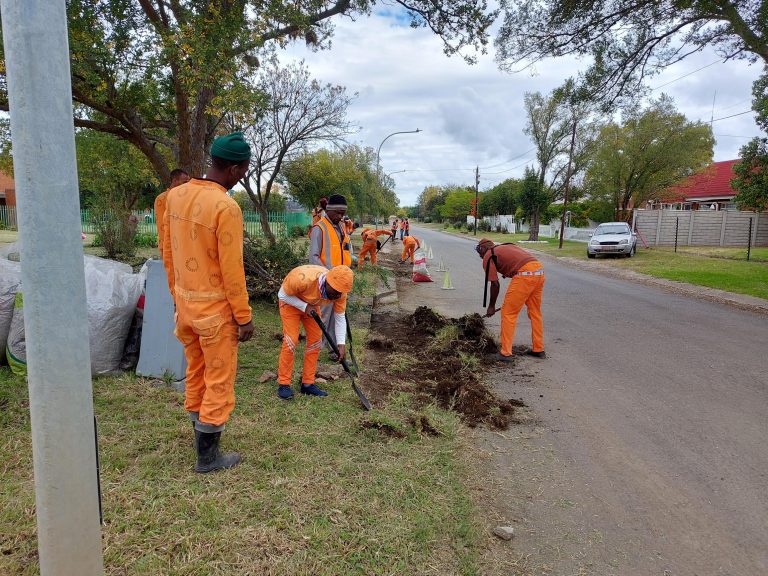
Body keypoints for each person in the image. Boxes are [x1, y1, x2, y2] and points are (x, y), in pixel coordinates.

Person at [162, 132, 254, 473]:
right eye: (244, 169)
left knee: (196, 372)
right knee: (218, 379)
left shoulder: (175, 196)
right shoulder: (225, 207)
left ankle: (199, 434)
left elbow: (168, 252)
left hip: (185, 307)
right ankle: (208, 456)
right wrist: (244, 317)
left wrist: (176, 297)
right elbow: (232, 270)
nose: (243, 175)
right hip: (215, 314)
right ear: (232, 169)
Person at [276, 264, 354, 399]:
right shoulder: (302, 279)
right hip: (290, 302)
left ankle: (307, 384)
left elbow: (340, 316)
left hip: (312, 306)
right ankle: (284, 383)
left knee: (316, 341)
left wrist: (341, 343)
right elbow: (282, 294)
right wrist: (304, 306)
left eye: (340, 293)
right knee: (291, 341)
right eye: (335, 291)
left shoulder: (340, 292)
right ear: (328, 282)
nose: (337, 296)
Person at [475, 238, 545, 362]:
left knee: (508, 313)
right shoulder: (505, 246)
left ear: (483, 248)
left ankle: (505, 353)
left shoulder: (488, 255)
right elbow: (515, 260)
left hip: (524, 275)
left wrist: (491, 306)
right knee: (535, 312)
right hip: (539, 271)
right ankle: (538, 349)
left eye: (479, 251)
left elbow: (495, 284)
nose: (479, 254)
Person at [308, 193, 352, 360]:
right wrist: (327, 277)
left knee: (337, 316)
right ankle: (314, 350)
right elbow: (313, 257)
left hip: (341, 281)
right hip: (326, 283)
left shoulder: (341, 227)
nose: (341, 217)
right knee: (324, 317)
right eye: (338, 213)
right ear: (329, 210)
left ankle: (334, 350)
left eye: (343, 213)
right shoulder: (319, 228)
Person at [154, 168, 191, 257]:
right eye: (184, 182)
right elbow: (162, 226)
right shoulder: (162, 199)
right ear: (174, 180)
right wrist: (166, 247)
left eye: (188, 183)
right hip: (169, 246)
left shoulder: (187, 198)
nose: (187, 185)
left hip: (186, 244)